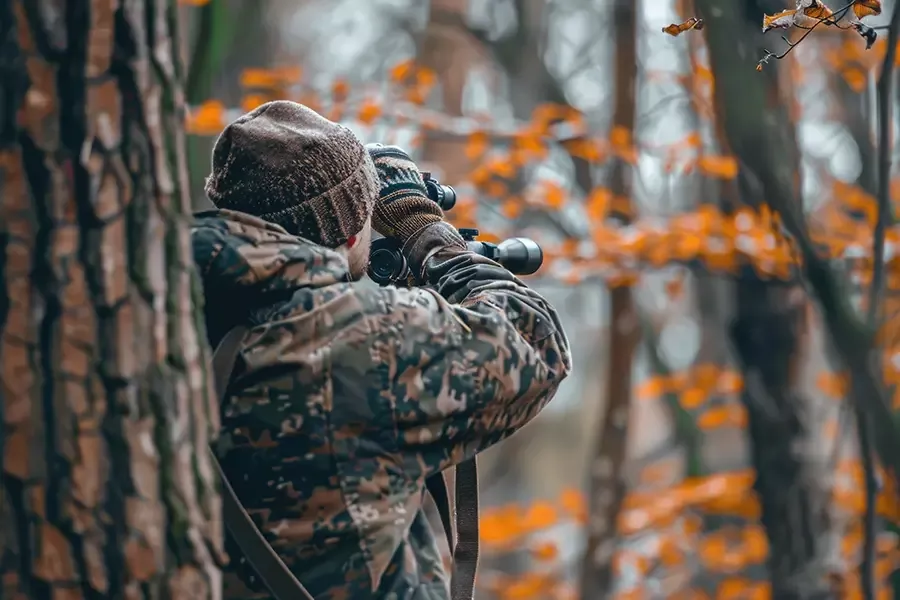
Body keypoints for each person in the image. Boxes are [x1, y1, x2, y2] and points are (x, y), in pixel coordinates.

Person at [191, 100, 572, 599]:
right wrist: (428, 235)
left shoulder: (150, 315)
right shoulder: (359, 340)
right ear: (350, 232)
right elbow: (533, 340)